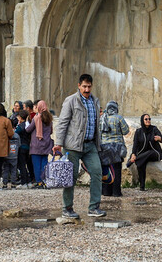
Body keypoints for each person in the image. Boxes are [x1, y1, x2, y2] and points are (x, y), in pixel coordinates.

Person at [53, 73, 106, 218]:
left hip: (90, 146)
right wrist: (58, 143)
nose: (87, 89)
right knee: (70, 176)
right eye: (84, 86)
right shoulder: (71, 101)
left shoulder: (95, 101)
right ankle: (67, 208)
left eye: (89, 86)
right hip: (72, 146)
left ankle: (94, 207)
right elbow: (62, 123)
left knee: (97, 172)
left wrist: (98, 143)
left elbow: (96, 124)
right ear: (79, 86)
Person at [100, 101, 130, 197]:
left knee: (106, 169)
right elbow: (126, 131)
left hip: (104, 147)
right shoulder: (119, 118)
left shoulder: (102, 118)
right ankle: (116, 192)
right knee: (116, 169)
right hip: (117, 147)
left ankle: (106, 192)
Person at [130, 114, 162, 191]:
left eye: (149, 119)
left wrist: (159, 138)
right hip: (143, 155)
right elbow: (135, 144)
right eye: (146, 119)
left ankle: (136, 159)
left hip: (155, 153)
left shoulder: (154, 129)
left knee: (148, 153)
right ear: (142, 120)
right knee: (141, 163)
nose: (148, 120)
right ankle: (142, 186)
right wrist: (133, 154)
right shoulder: (138, 131)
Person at [26, 100, 54, 189]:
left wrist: (27, 123)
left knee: (36, 164)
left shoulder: (37, 117)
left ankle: (38, 182)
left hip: (36, 144)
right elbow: (51, 131)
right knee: (44, 164)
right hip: (46, 143)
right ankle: (44, 181)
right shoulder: (49, 118)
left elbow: (28, 129)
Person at [15, 110, 32, 188]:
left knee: (21, 166)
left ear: (20, 118)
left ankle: (23, 182)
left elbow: (15, 134)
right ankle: (29, 181)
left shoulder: (20, 126)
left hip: (21, 147)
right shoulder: (28, 125)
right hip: (28, 147)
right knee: (27, 165)